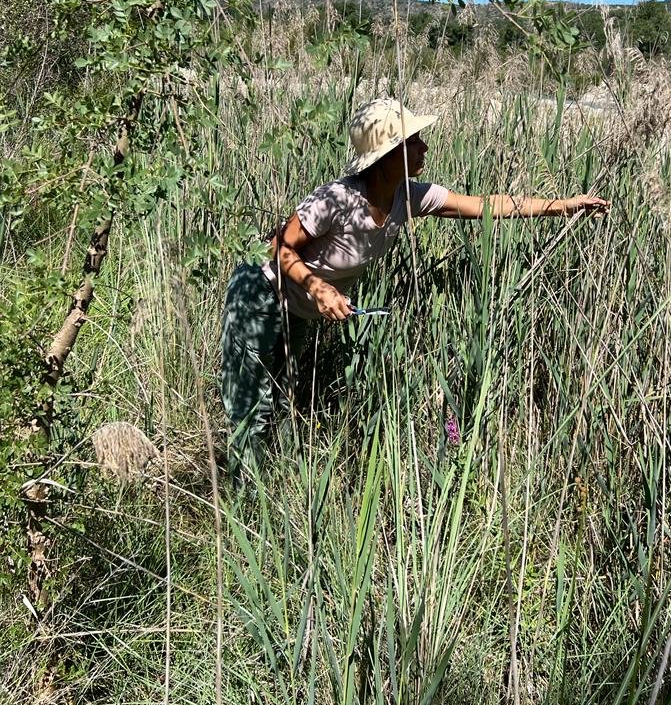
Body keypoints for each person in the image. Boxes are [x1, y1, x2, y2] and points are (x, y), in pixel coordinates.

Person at [219, 98, 608, 475]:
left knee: (281, 393)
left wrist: (564, 205)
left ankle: (262, 483)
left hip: (297, 305)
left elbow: (487, 205)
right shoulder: (337, 199)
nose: (424, 146)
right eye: (412, 141)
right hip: (260, 292)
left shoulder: (408, 196)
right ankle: (243, 499)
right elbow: (275, 248)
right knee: (252, 406)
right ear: (386, 156)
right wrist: (319, 288)